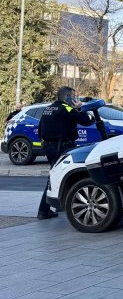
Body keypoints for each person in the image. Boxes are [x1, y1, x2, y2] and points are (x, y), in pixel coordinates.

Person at [36, 86, 93, 219]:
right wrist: (80, 108)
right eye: (74, 96)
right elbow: (86, 121)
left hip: (49, 147)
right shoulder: (67, 108)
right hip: (61, 148)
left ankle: (57, 205)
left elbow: (40, 129)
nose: (76, 98)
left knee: (57, 175)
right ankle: (43, 210)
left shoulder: (48, 108)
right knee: (54, 177)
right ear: (67, 97)